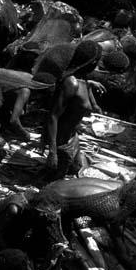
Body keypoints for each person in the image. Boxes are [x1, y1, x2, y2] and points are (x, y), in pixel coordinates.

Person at [42, 40, 105, 180]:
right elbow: (53, 116)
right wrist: (53, 152)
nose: (98, 66)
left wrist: (94, 103)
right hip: (62, 141)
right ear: (91, 62)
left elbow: (85, 89)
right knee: (55, 182)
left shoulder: (83, 78)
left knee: (76, 168)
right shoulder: (71, 83)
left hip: (73, 136)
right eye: (97, 62)